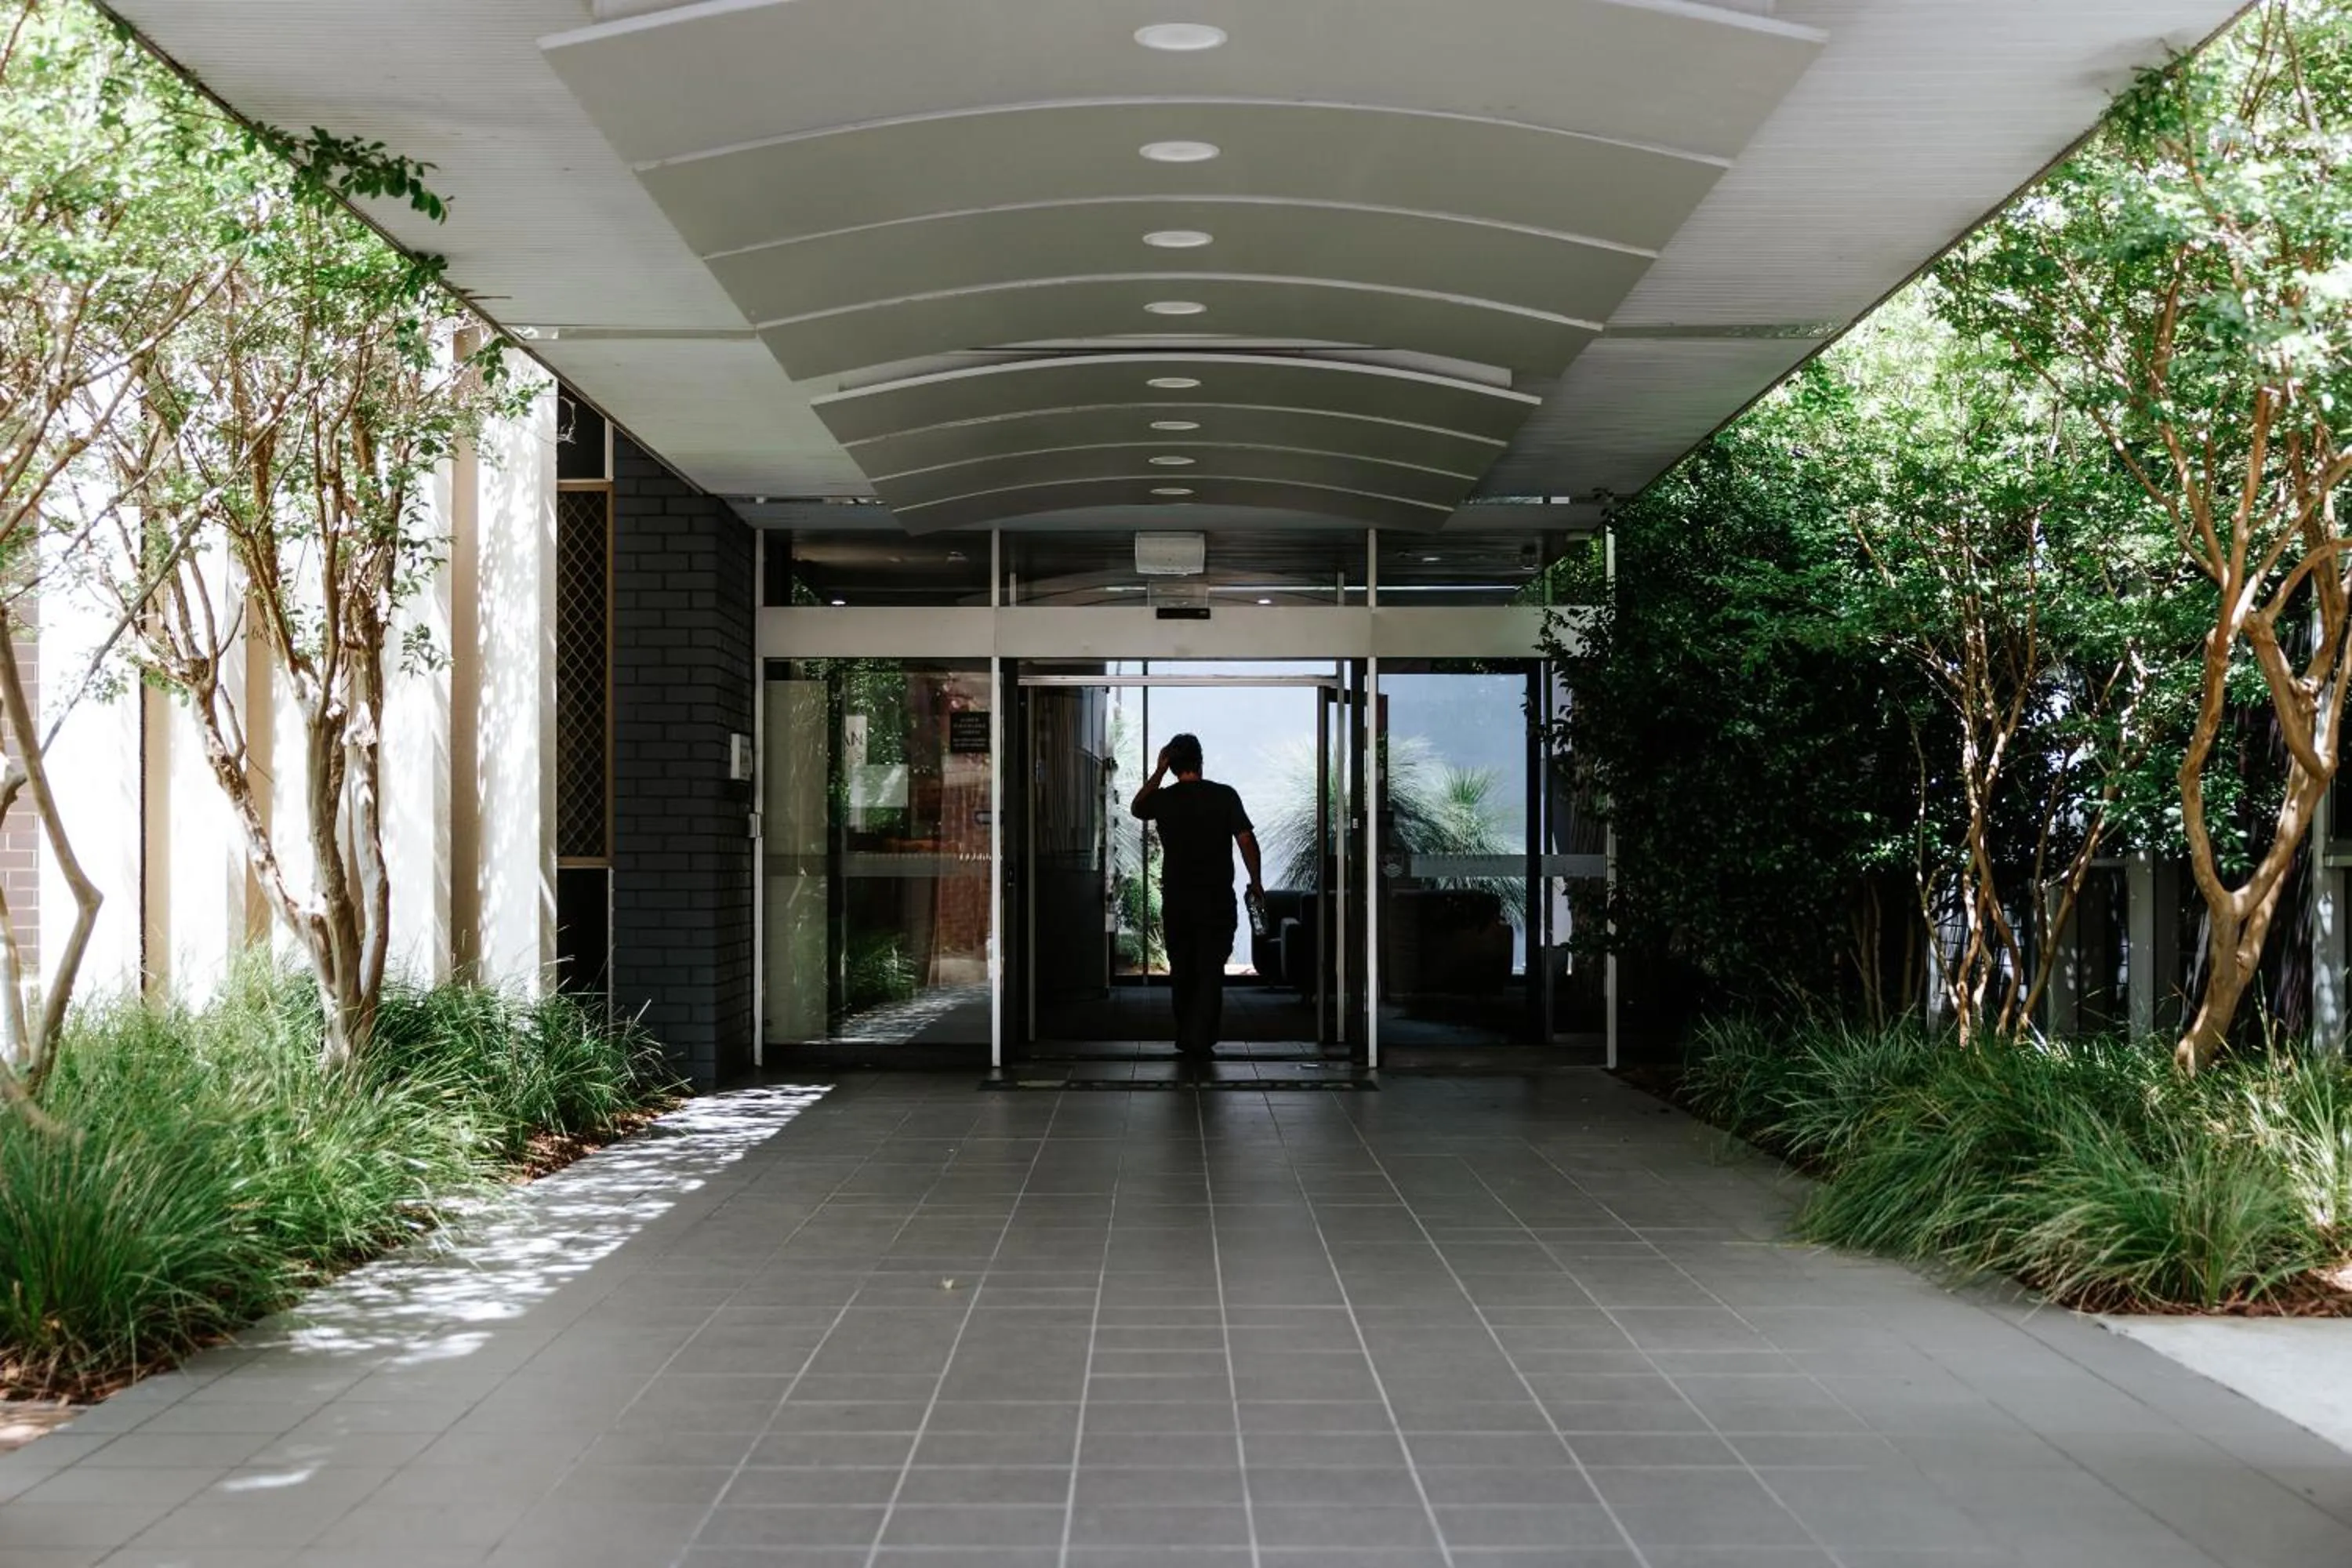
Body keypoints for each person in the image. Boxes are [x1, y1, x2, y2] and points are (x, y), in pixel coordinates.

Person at [1131, 733, 1264, 1058]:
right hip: (1216, 898)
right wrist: (1256, 881)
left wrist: (1159, 771)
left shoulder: (1164, 800)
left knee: (1183, 968)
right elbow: (1245, 840)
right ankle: (1200, 1038)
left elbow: (1137, 807)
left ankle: (1187, 1036)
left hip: (1178, 899)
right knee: (1209, 969)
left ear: (1173, 764)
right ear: (1201, 762)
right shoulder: (1224, 796)